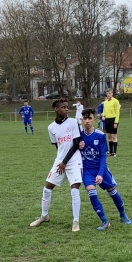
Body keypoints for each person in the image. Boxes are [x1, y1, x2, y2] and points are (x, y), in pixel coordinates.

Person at [30, 98, 83, 232]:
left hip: (74, 161)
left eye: (67, 107)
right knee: (47, 188)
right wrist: (61, 161)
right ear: (56, 109)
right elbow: (57, 146)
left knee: (74, 189)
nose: (66, 109)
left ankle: (76, 221)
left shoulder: (73, 122)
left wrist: (65, 162)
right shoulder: (51, 127)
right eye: (63, 107)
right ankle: (44, 216)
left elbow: (76, 143)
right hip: (60, 162)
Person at [79, 109, 131, 230]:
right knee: (91, 193)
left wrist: (100, 174)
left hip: (100, 169)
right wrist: (77, 145)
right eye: (85, 119)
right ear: (82, 120)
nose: (87, 121)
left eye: (89, 118)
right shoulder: (78, 135)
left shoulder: (100, 135)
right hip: (86, 171)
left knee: (112, 191)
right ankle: (104, 221)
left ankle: (123, 215)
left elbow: (103, 156)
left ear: (94, 120)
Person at [101, 88, 121, 156]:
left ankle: (114, 153)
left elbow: (117, 113)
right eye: (107, 93)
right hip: (107, 120)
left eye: (109, 93)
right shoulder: (105, 102)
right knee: (109, 137)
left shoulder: (116, 101)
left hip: (113, 120)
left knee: (114, 136)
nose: (108, 95)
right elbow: (104, 111)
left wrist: (116, 122)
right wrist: (103, 115)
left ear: (112, 94)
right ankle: (110, 152)